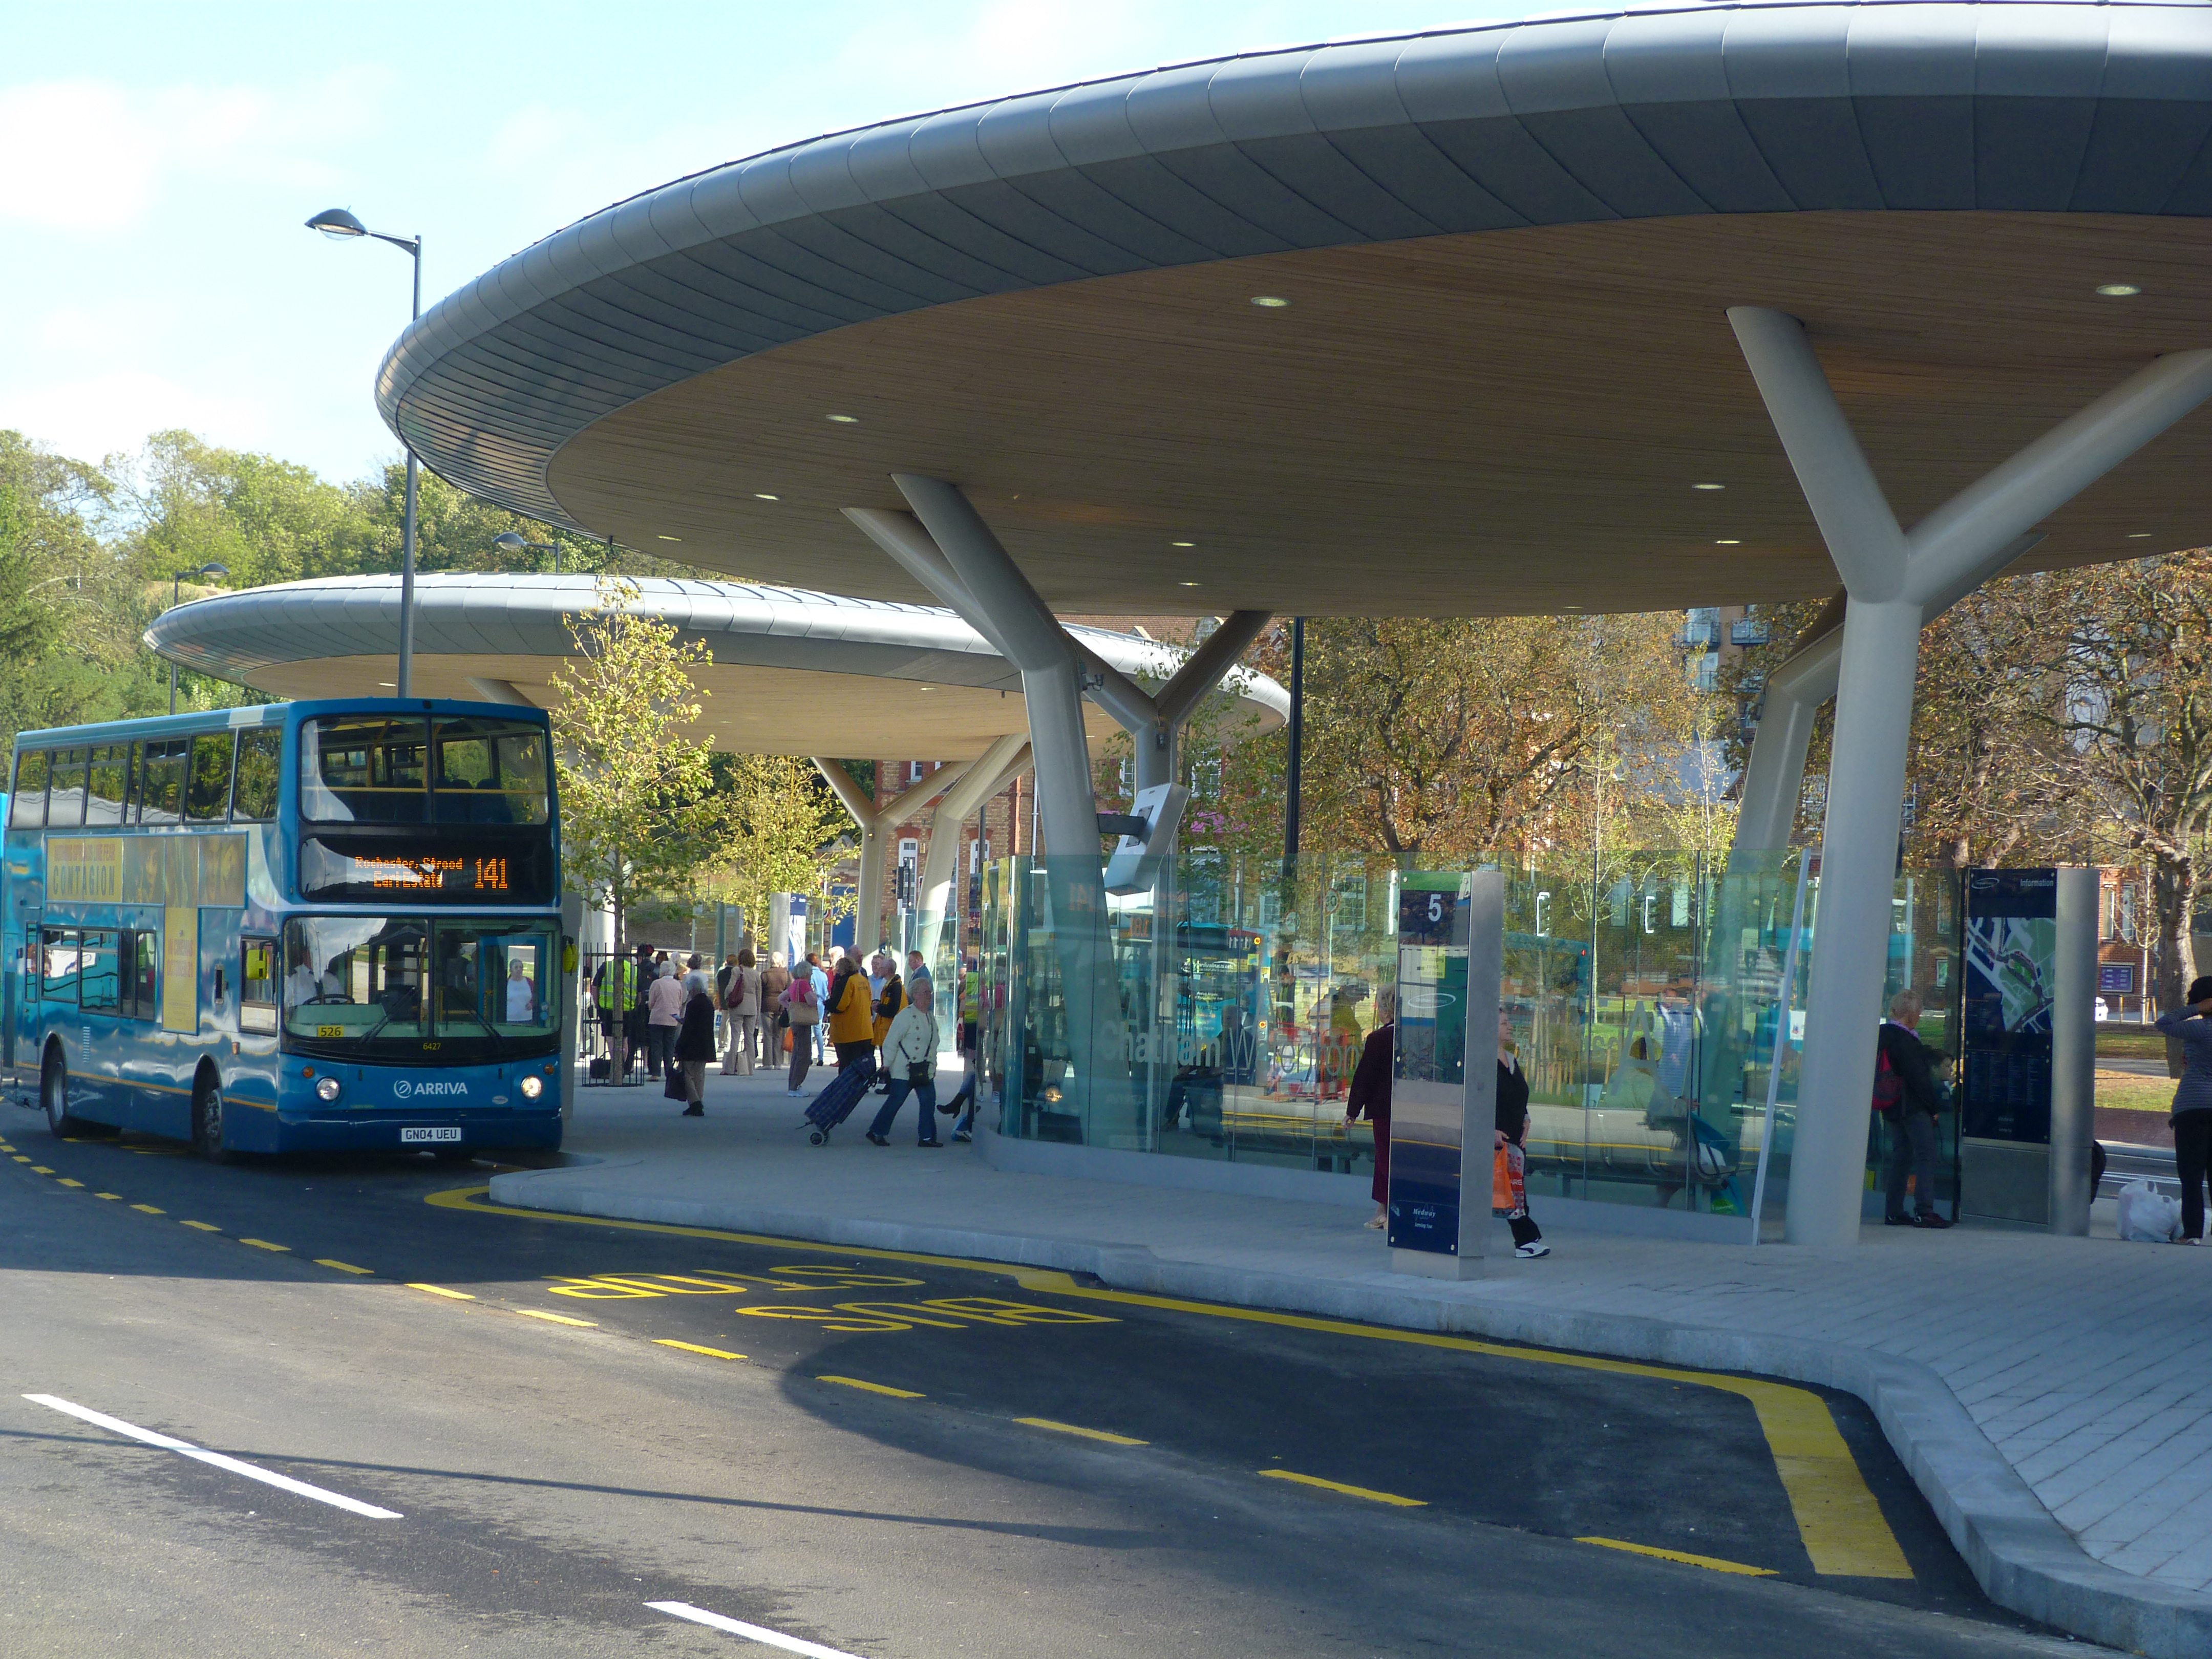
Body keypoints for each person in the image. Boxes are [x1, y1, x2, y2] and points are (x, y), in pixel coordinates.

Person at [1878, 989, 1953, 1229]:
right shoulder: (1906, 1041)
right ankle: (1924, 1210)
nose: (1920, 1016)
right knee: (1926, 1155)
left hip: (1891, 1106)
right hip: (1912, 1107)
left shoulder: (1883, 1036)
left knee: (1902, 1156)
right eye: (1918, 1012)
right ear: (1912, 1015)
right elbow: (1918, 1079)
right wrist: (1933, 1107)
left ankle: (1894, 1211)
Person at [2156, 976, 2212, 1244]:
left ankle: (2192, 1234)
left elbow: (2164, 1023)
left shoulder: (2201, 1029)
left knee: (2191, 1176)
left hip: (2193, 1109)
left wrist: (2197, 1009)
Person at [1497, 1009, 1548, 1259]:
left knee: (1514, 1188)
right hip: (1495, 1141)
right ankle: (1525, 1239)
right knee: (1506, 1190)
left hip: (1515, 1139)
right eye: (1504, 1023)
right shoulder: (1482, 1061)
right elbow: (1475, 1100)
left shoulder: (1511, 1059)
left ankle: (1526, 1239)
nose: (1510, 1027)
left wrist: (1526, 1119)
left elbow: (1519, 1094)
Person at [867, 978, 943, 1145]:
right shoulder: (905, 1015)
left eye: (930, 992)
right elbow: (891, 1040)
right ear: (915, 995)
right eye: (925, 992)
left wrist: (933, 1066)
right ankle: (876, 1131)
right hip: (903, 1068)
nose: (929, 995)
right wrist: (886, 1064)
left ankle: (927, 1138)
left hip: (924, 1069)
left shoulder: (930, 1017)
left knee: (928, 1101)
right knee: (896, 1100)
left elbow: (933, 1045)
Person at [1345, 990, 1395, 1229]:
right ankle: (1385, 1210)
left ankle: (1386, 1210)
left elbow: (1364, 1077)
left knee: (1385, 1159)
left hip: (1385, 1110)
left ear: (1385, 1010)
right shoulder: (1419, 1035)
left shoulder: (1379, 1039)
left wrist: (1352, 1111)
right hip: (1415, 1109)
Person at [673, 968, 717, 1117]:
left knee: (688, 1075)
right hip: (705, 1045)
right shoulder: (709, 1004)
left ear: (693, 989)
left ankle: (695, 1103)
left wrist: (679, 1046)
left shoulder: (693, 1005)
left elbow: (689, 1028)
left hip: (692, 1046)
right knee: (700, 1075)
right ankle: (699, 1099)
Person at [826, 951, 875, 1076]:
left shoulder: (847, 981)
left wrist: (828, 1004)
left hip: (849, 1031)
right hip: (865, 1029)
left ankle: (846, 1089)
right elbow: (869, 999)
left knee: (846, 1065)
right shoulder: (863, 980)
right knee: (861, 1064)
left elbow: (841, 1005)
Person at [781, 967, 819, 1096]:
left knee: (797, 1054)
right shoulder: (803, 983)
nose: (811, 975)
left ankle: (793, 1085)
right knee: (805, 1054)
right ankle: (796, 1086)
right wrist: (816, 998)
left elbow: (781, 998)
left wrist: (790, 1007)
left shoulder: (795, 984)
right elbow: (811, 1001)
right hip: (804, 1022)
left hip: (795, 1020)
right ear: (806, 973)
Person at [870, 956, 906, 1092]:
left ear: (888, 970)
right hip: (888, 1027)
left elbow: (892, 1009)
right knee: (888, 1056)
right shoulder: (891, 985)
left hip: (891, 1027)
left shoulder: (895, 986)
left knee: (891, 1057)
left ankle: (891, 1086)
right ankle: (890, 1085)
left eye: (882, 967)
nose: (879, 969)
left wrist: (879, 1008)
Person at [722, 949, 760, 1076]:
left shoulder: (737, 971)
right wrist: (757, 1012)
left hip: (738, 1006)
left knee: (735, 1037)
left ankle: (731, 1067)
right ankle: (750, 1068)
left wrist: (727, 998)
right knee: (750, 1038)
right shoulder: (756, 974)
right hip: (752, 1008)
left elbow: (730, 988)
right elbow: (759, 995)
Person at [646, 959, 684, 1080]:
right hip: (673, 1018)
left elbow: (651, 1002)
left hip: (657, 1018)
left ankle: (656, 1073)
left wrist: (651, 1007)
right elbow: (680, 1001)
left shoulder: (656, 984)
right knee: (669, 1046)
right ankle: (669, 1072)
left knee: (656, 1045)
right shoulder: (678, 984)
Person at [807, 952, 831, 1064]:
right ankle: (821, 1057)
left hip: (811, 1003)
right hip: (821, 1003)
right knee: (818, 1030)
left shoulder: (809, 974)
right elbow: (826, 992)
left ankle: (810, 1056)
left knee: (809, 1030)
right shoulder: (823, 975)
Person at [504, 958, 535, 1025]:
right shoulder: (506, 984)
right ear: (511, 970)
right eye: (516, 967)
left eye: (521, 967)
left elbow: (537, 996)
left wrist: (532, 1004)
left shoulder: (529, 982)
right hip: (510, 1021)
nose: (519, 969)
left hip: (528, 1020)